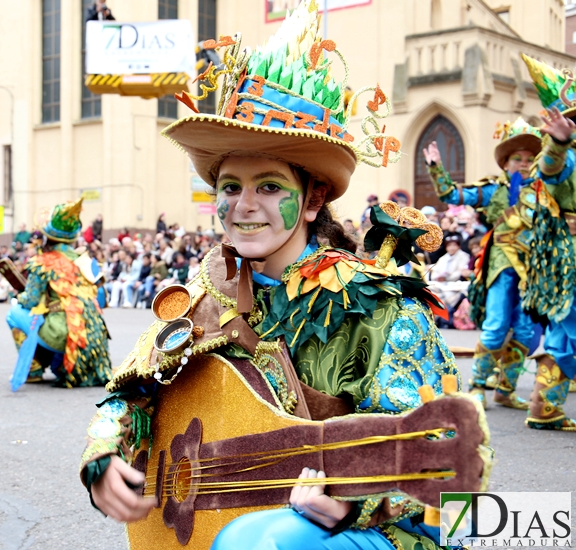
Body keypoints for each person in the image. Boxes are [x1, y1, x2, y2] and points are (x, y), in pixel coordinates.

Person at [79, 6, 487, 549]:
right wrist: (102, 455)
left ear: (314, 198)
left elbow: (450, 456)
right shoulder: (206, 297)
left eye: (269, 186)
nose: (245, 206)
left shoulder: (376, 308)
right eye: (229, 187)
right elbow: (130, 393)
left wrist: (355, 499)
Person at [423, 116, 541, 409]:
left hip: (533, 269)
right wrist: (437, 167)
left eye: (529, 158)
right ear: (506, 163)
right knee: (497, 325)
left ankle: (505, 389)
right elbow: (452, 195)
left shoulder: (544, 193)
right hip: (501, 264)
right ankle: (477, 385)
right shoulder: (495, 190)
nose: (524, 163)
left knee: (526, 331)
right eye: (518, 158)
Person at [518, 54, 576, 431]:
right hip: (568, 261)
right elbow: (550, 169)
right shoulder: (568, 157)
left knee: (563, 334)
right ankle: (543, 406)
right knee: (567, 334)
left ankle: (544, 407)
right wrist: (557, 143)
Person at [6, 198, 110, 389]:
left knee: (14, 313)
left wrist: (18, 296)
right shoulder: (86, 261)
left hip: (64, 333)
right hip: (94, 335)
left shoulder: (42, 262)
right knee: (48, 315)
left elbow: (31, 300)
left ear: (46, 237)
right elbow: (103, 299)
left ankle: (34, 368)